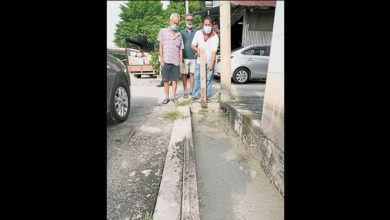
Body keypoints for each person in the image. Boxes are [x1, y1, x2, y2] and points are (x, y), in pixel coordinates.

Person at [157, 13, 184, 104]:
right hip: (166, 60)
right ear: (170, 21)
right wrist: (162, 58)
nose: (175, 25)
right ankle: (167, 97)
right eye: (174, 23)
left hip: (175, 61)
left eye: (177, 23)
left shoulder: (179, 35)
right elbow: (160, 46)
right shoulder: (163, 31)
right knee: (166, 80)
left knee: (175, 79)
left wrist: (181, 60)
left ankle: (173, 97)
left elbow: (180, 49)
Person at [191, 17, 219, 103]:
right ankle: (195, 95)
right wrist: (198, 51)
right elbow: (192, 45)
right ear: (203, 25)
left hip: (209, 61)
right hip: (200, 61)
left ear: (211, 25)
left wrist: (212, 64)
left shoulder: (215, 37)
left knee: (208, 79)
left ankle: (206, 96)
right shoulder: (198, 33)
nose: (207, 26)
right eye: (205, 24)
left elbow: (214, 51)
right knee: (197, 78)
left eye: (208, 25)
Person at [179, 14, 197, 98]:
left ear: (192, 21)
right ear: (185, 21)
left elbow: (199, 43)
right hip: (184, 57)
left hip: (194, 57)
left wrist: (198, 52)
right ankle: (185, 91)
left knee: (192, 74)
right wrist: (180, 58)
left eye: (191, 20)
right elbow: (179, 46)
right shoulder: (181, 32)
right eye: (188, 20)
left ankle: (192, 91)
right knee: (184, 75)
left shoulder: (196, 32)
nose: (189, 21)